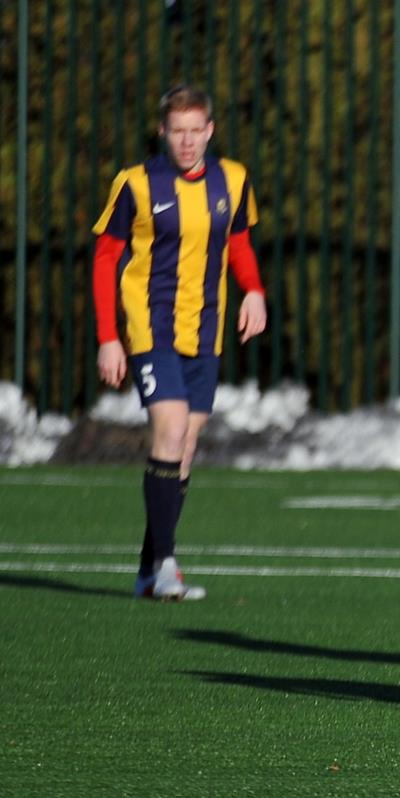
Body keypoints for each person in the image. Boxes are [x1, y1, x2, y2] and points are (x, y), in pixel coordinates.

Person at [92, 84, 267, 600]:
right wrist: (108, 338)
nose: (187, 141)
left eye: (196, 131)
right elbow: (105, 259)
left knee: (185, 446)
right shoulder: (136, 184)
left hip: (206, 329)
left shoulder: (232, 179)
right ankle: (168, 565)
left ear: (210, 131)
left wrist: (254, 291)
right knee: (168, 431)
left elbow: (239, 243)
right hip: (151, 328)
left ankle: (149, 571)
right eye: (177, 131)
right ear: (162, 132)